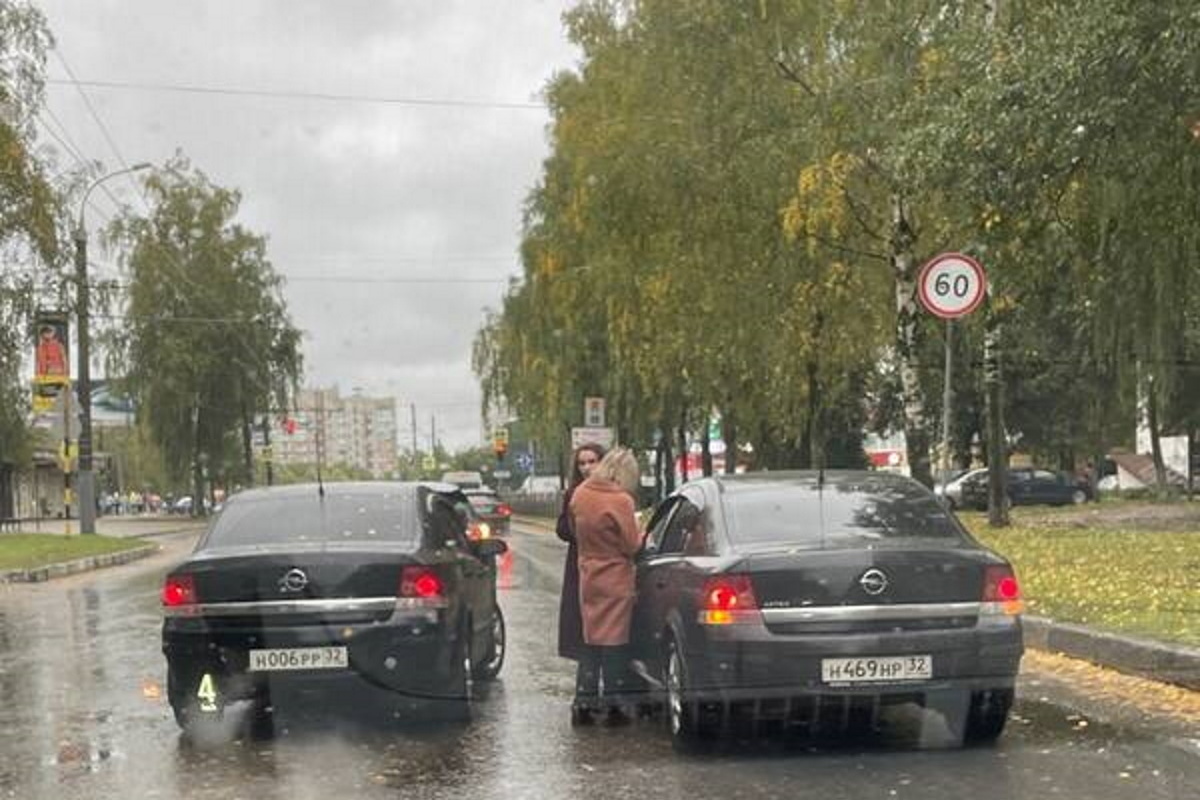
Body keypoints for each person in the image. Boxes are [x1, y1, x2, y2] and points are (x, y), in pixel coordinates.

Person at [568, 447, 643, 725]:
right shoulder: (621, 500)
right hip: (615, 576)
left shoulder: (580, 494)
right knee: (614, 641)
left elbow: (575, 533)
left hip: (588, 574)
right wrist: (641, 533)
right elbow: (631, 545)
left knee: (591, 639)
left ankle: (584, 703)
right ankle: (614, 705)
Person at [556, 444, 605, 670]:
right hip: (579, 563)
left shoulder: (613, 492)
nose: (587, 467)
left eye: (592, 461)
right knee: (582, 621)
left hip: (607, 566)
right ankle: (587, 681)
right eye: (582, 463)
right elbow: (562, 530)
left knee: (606, 623)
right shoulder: (573, 494)